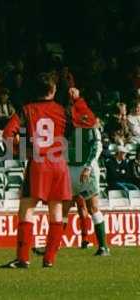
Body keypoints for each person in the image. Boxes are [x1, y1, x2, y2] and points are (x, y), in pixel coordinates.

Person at [1, 72, 72, 268]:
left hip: (39, 163)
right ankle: (49, 259)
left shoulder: (27, 109)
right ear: (53, 90)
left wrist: (21, 150)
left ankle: (23, 258)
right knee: (56, 210)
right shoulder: (62, 110)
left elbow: (7, 134)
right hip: (59, 164)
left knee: (27, 208)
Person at [64, 88, 109, 255]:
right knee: (63, 207)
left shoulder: (89, 125)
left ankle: (103, 246)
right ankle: (50, 247)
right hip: (71, 168)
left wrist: (88, 166)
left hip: (86, 168)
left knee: (93, 207)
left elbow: (97, 146)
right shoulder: (70, 125)